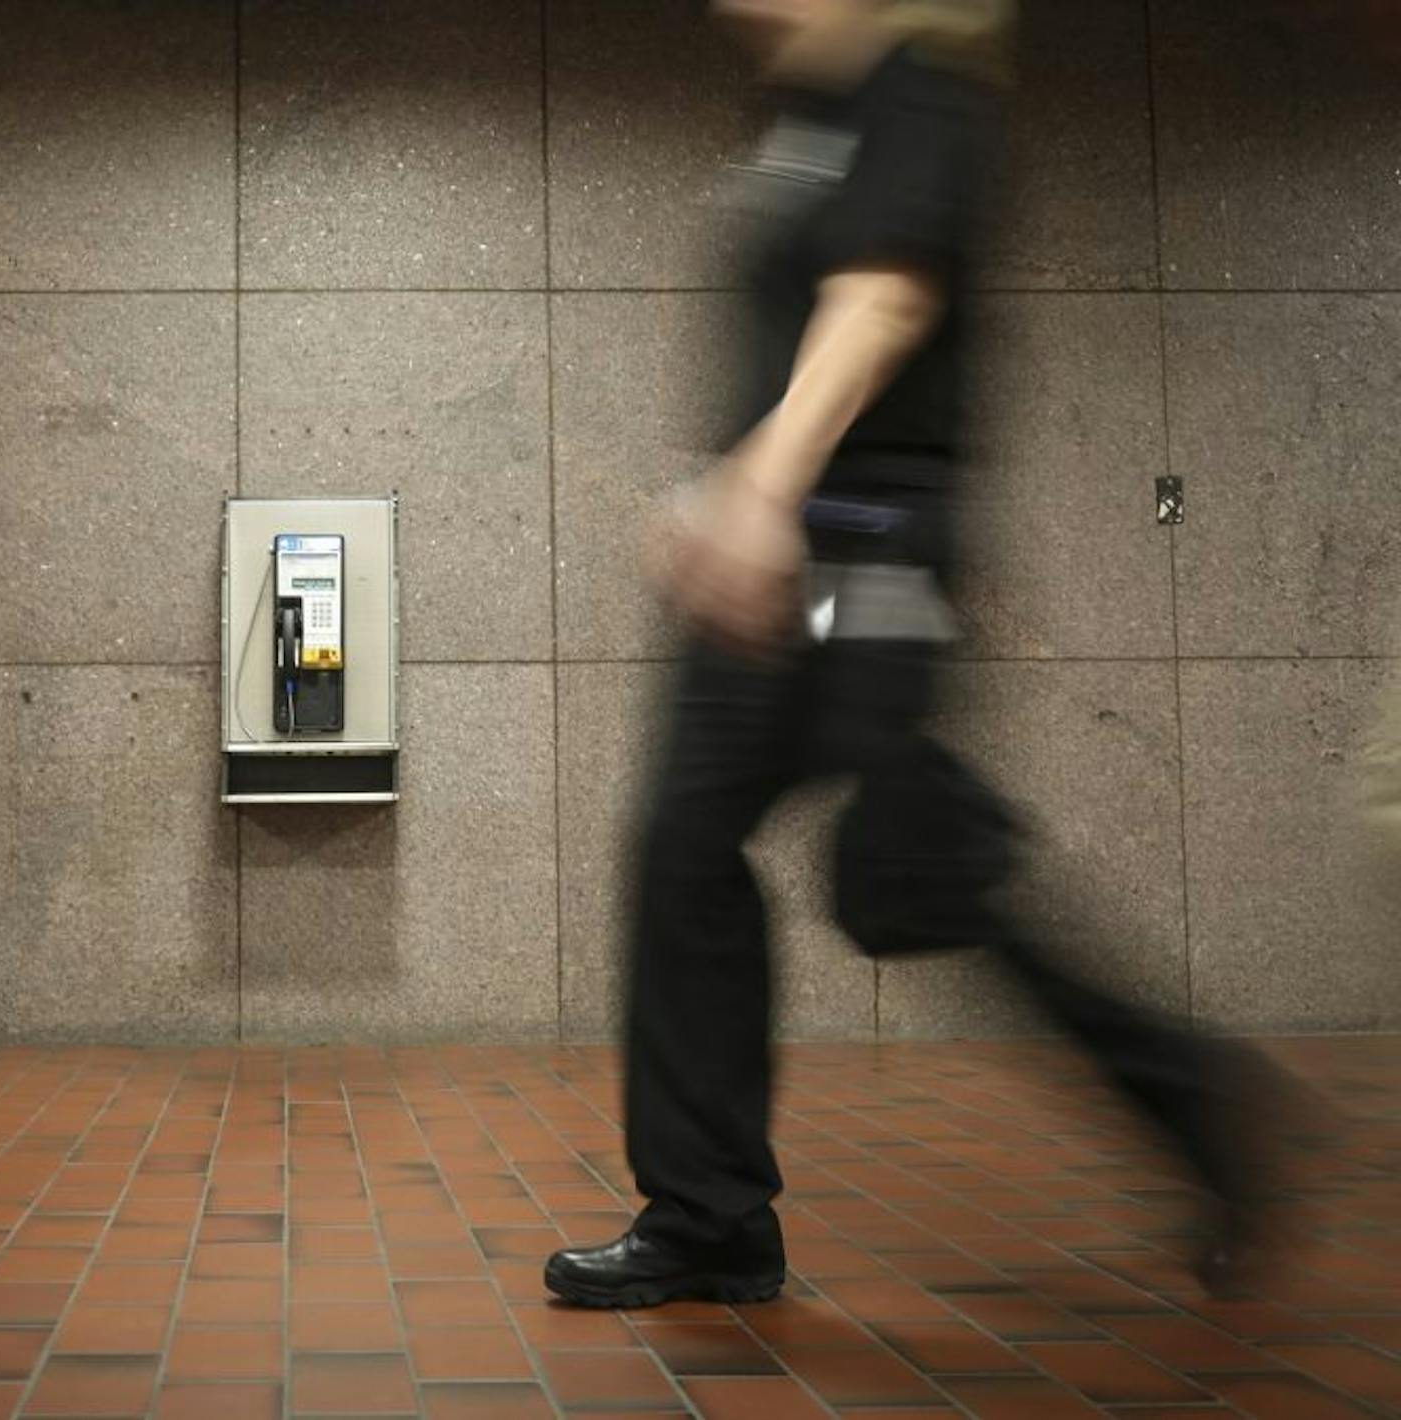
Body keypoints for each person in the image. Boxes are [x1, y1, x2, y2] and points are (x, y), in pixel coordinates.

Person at [545, 0, 1285, 1309]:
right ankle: (709, 1217)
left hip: (866, 540)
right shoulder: (803, 122)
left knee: (908, 880)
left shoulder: (922, 91)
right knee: (680, 842)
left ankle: (1199, 1098)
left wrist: (767, 482)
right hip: (789, 552)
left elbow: (886, 296)